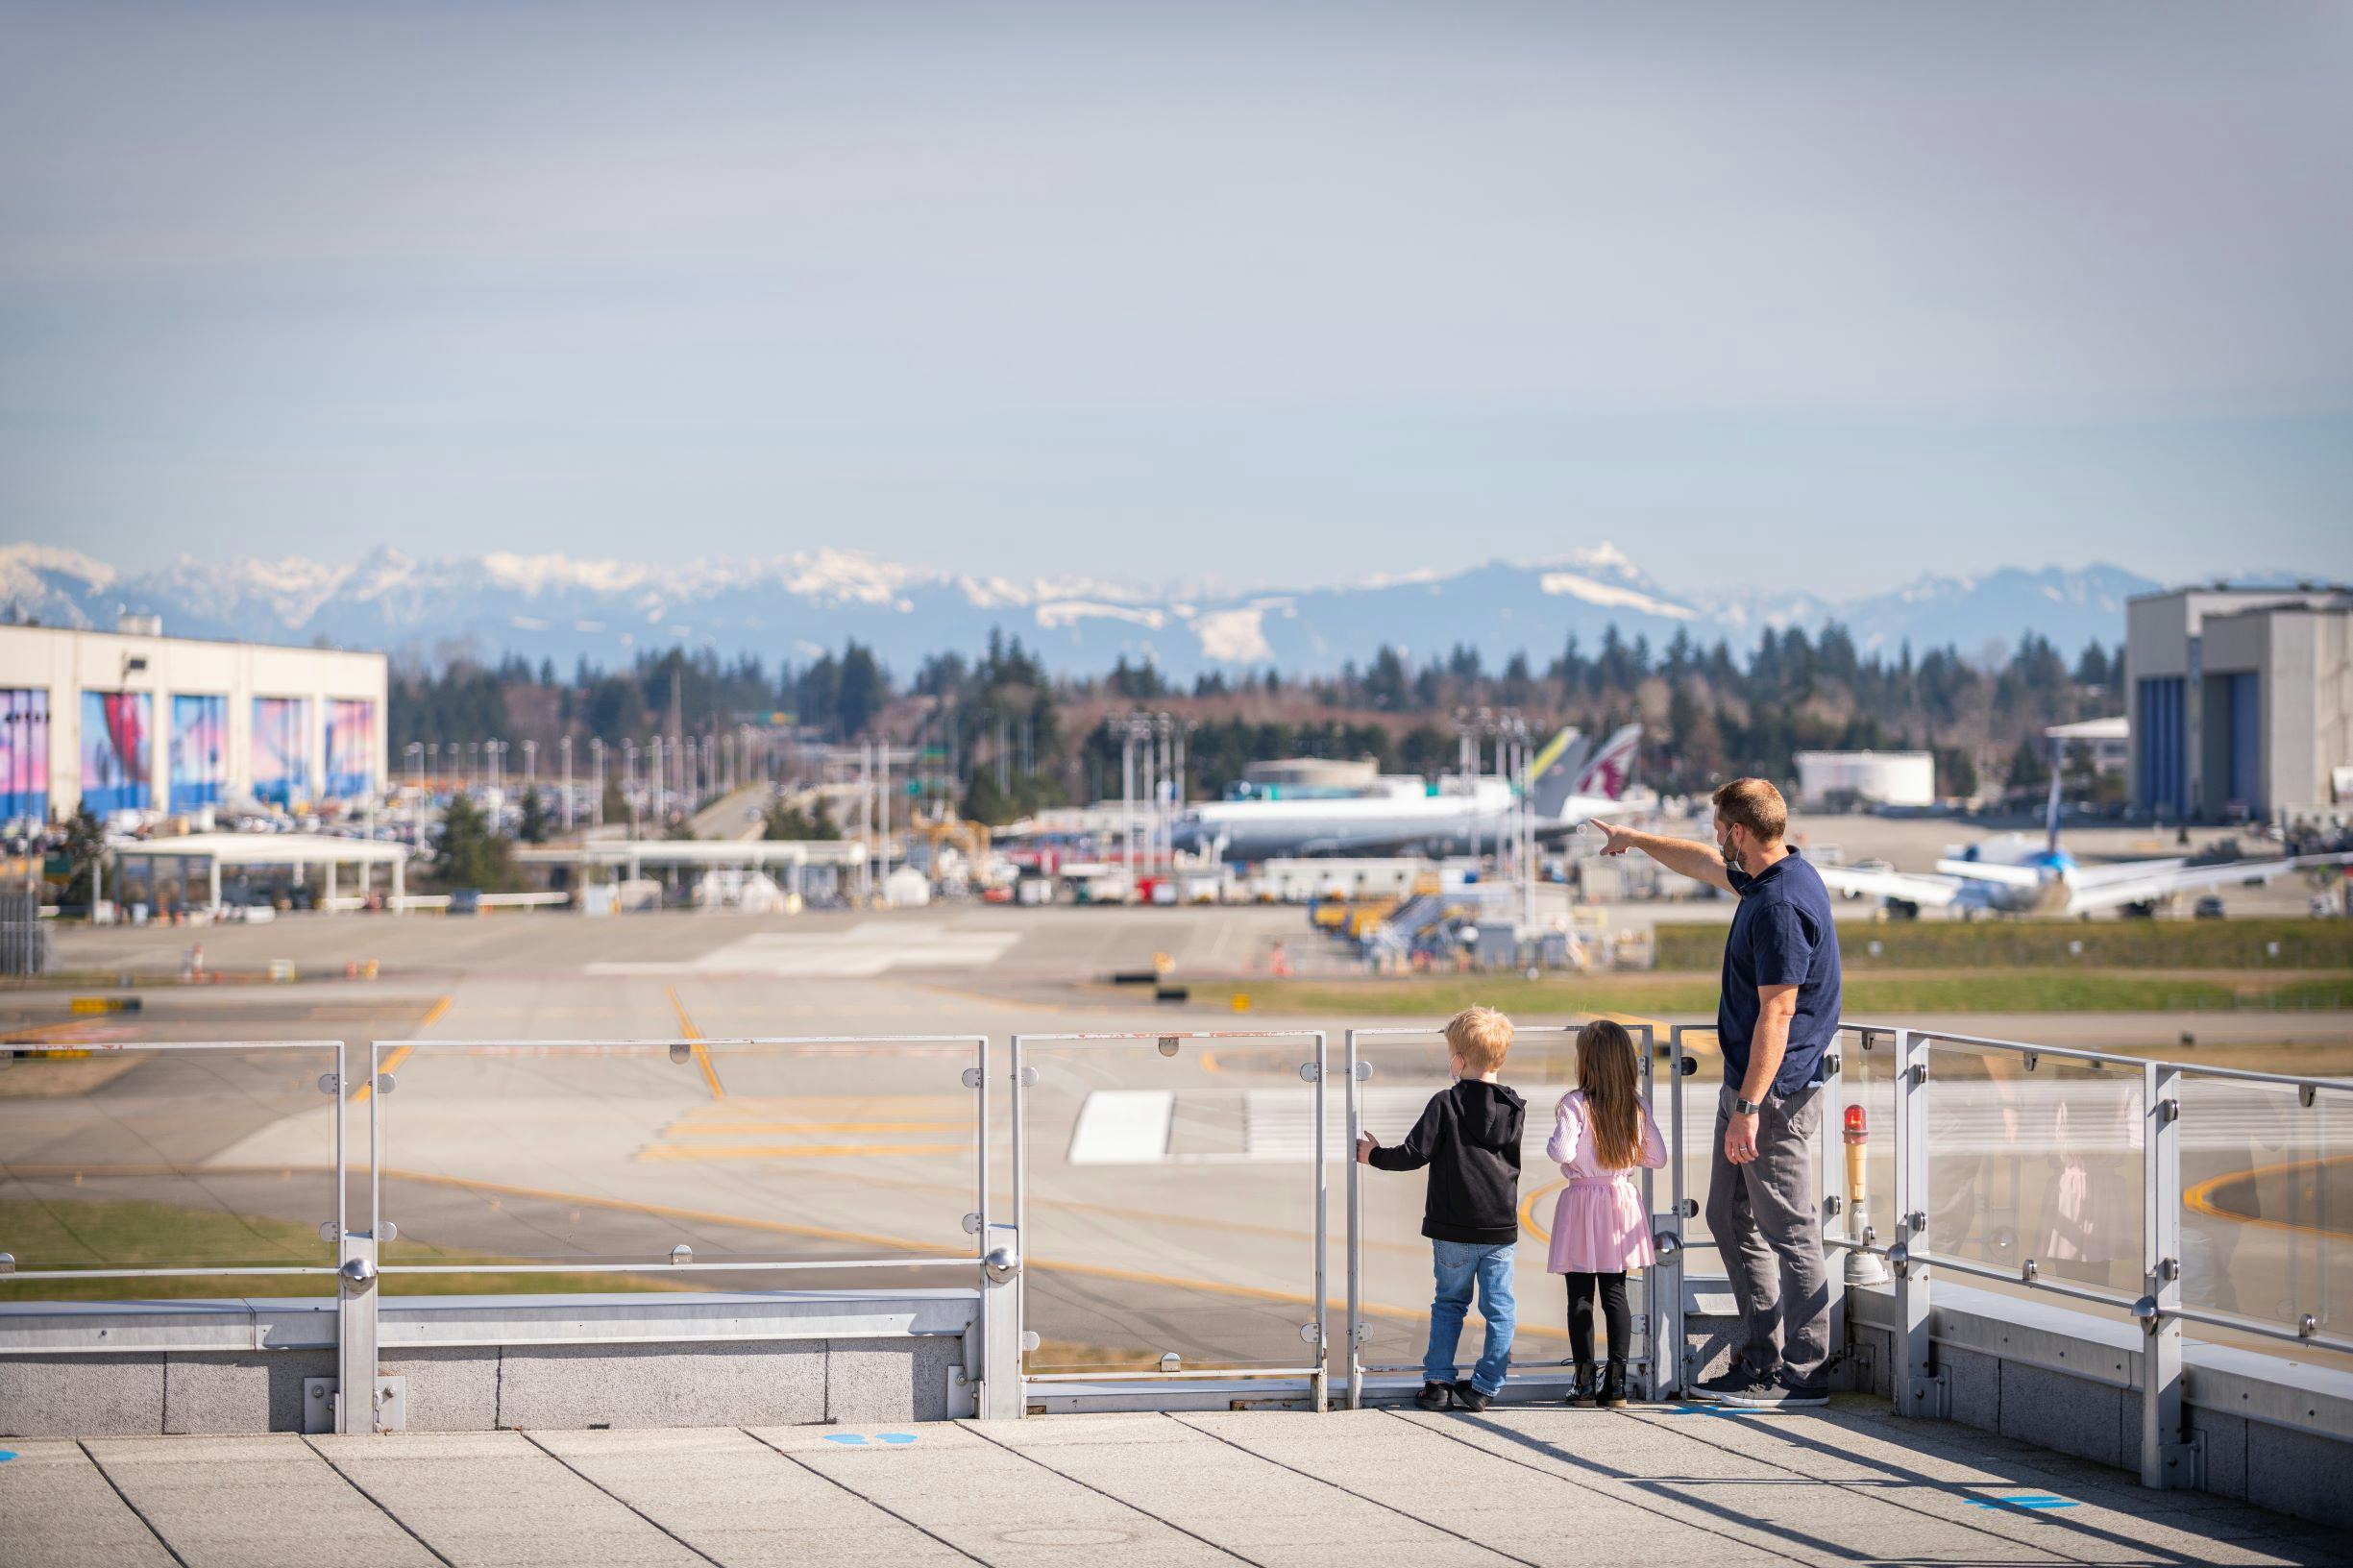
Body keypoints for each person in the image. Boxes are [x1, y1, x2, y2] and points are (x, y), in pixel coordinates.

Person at [1593, 776, 1843, 1408]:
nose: (1713, 838)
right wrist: (1634, 839)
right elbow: (1704, 864)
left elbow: (1777, 1015)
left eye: (1717, 827)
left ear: (1738, 831)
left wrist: (1750, 1108)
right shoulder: (1771, 876)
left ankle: (1804, 1372)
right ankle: (1757, 1360)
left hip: (1773, 1096)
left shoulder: (1781, 905)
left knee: (1788, 1229)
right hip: (1750, 1089)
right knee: (1729, 1219)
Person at [1357, 1005, 1526, 1411]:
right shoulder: (1515, 1107)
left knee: (1449, 1303)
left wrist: (1373, 1155)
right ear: (1500, 1058)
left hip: (1452, 1226)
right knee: (1500, 1307)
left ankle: (1438, 1383)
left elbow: (1415, 1154)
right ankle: (1486, 1385)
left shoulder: (1445, 1103)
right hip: (1499, 1227)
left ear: (1458, 1060)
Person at [1546, 1018, 1669, 1409]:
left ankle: (1583, 1382)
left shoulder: (1574, 1103)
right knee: (1615, 1292)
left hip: (1582, 1203)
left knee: (1579, 1295)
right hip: (1619, 1201)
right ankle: (1615, 1383)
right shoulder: (1635, 1105)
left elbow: (1561, 1152)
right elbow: (1658, 1157)